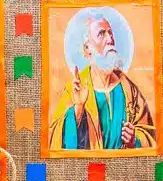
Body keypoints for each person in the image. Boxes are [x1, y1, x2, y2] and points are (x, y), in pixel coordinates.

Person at [49, 13, 155, 151]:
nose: (110, 39)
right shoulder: (75, 89)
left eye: (110, 33)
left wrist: (134, 140)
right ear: (87, 48)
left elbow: (149, 133)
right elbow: (56, 140)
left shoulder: (129, 89)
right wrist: (78, 108)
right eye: (101, 34)